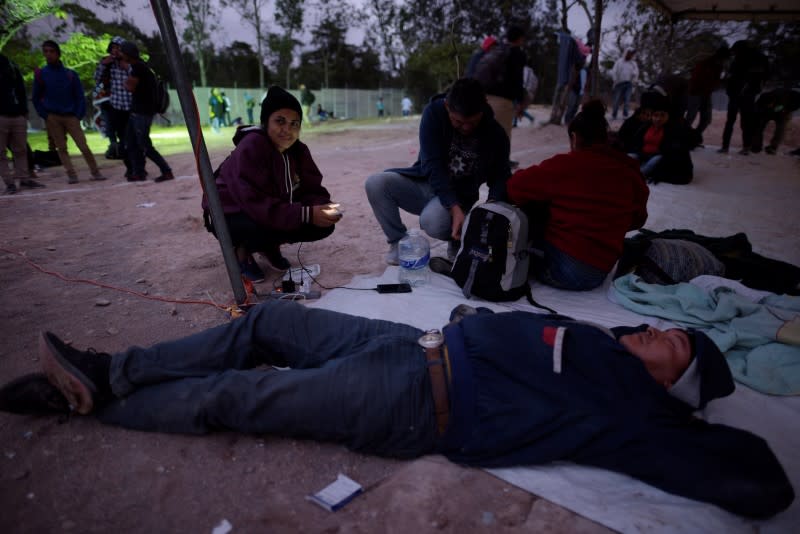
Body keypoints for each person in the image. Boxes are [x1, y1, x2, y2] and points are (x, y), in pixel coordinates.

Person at [0, 300, 793, 519]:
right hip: (413, 340)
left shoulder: (638, 416)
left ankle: (85, 406)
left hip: (416, 399)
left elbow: (761, 483)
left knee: (240, 396)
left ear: (674, 388)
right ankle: (110, 369)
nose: (660, 332)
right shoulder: (606, 343)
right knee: (270, 322)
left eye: (674, 346)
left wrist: (690, 425)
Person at [365, 78, 510, 265]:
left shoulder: (495, 134)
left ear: (483, 109)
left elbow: (500, 176)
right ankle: (398, 243)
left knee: (433, 222)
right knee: (376, 183)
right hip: (425, 183)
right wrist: (453, 207)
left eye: (472, 123)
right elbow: (432, 164)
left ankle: (457, 238)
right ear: (448, 106)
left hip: (460, 195)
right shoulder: (434, 113)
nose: (466, 128)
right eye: (458, 122)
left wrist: (491, 211)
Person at [507, 100, 649, 291]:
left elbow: (515, 187)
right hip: (601, 271)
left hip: (562, 268)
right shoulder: (629, 171)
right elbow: (638, 220)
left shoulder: (565, 165)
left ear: (574, 138)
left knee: (530, 208)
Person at [201, 86, 339, 281]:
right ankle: (241, 251)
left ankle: (268, 246)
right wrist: (306, 213)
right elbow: (253, 203)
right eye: (280, 121)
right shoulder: (252, 146)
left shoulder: (299, 150)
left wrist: (323, 207)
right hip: (231, 213)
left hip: (266, 210)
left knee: (322, 224)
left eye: (294, 124)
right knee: (264, 223)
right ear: (266, 122)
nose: (287, 130)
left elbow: (313, 188)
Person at [32, 40, 106, 184]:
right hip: (52, 116)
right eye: (45, 51)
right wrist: (45, 115)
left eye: (51, 51)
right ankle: (71, 174)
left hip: (71, 116)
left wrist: (78, 115)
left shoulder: (70, 74)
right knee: (62, 148)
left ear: (58, 53)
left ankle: (95, 172)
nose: (48, 54)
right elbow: (35, 98)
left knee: (83, 146)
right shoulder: (41, 74)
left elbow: (80, 96)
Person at [120, 42, 174, 183]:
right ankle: (138, 172)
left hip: (141, 113)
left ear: (127, 54)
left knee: (144, 145)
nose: (120, 55)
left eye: (122, 53)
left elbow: (130, 87)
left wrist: (126, 76)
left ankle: (166, 171)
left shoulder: (137, 68)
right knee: (131, 142)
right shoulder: (140, 67)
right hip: (137, 112)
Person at [1, 53, 45, 195]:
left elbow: (20, 88)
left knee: (21, 150)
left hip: (17, 114)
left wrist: (24, 111)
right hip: (1, 115)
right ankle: (9, 183)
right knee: (1, 153)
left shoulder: (10, 64)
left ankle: (24, 178)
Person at [628, 91, 694, 185]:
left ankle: (637, 175)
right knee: (629, 157)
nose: (658, 119)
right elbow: (636, 143)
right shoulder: (645, 127)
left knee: (654, 161)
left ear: (668, 116)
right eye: (656, 115)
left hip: (660, 158)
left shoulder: (672, 130)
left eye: (662, 115)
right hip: (643, 155)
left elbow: (674, 152)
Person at [475, 26, 527, 141]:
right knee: (501, 141)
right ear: (520, 39)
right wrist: (520, 102)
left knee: (484, 138)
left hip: (482, 99)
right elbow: (517, 79)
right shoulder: (517, 53)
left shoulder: (496, 50)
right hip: (502, 102)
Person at [719, 41, 769, 155]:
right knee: (745, 122)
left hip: (738, 94)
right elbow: (764, 77)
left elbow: (732, 76)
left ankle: (725, 147)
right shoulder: (759, 59)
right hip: (747, 95)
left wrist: (731, 90)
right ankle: (745, 147)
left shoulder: (741, 59)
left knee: (732, 121)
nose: (734, 53)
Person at [685, 45, 730, 147]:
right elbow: (695, 79)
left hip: (706, 94)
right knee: (690, 117)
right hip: (695, 93)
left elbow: (716, 81)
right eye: (724, 58)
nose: (725, 61)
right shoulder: (705, 63)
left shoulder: (719, 67)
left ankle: (694, 138)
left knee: (706, 119)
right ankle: (683, 139)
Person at [751, 86, 800, 155]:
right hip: (769, 111)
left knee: (780, 129)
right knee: (759, 125)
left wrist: (788, 109)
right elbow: (757, 110)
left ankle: (773, 147)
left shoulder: (784, 98)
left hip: (784, 110)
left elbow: (797, 102)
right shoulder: (764, 98)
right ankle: (757, 146)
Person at [610, 49, 639, 120]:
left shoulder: (633, 63)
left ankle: (625, 115)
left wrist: (634, 79)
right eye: (629, 54)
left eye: (631, 54)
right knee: (616, 100)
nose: (630, 55)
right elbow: (614, 71)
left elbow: (636, 73)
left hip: (629, 84)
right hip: (619, 83)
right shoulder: (619, 62)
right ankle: (614, 114)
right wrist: (615, 79)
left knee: (627, 100)